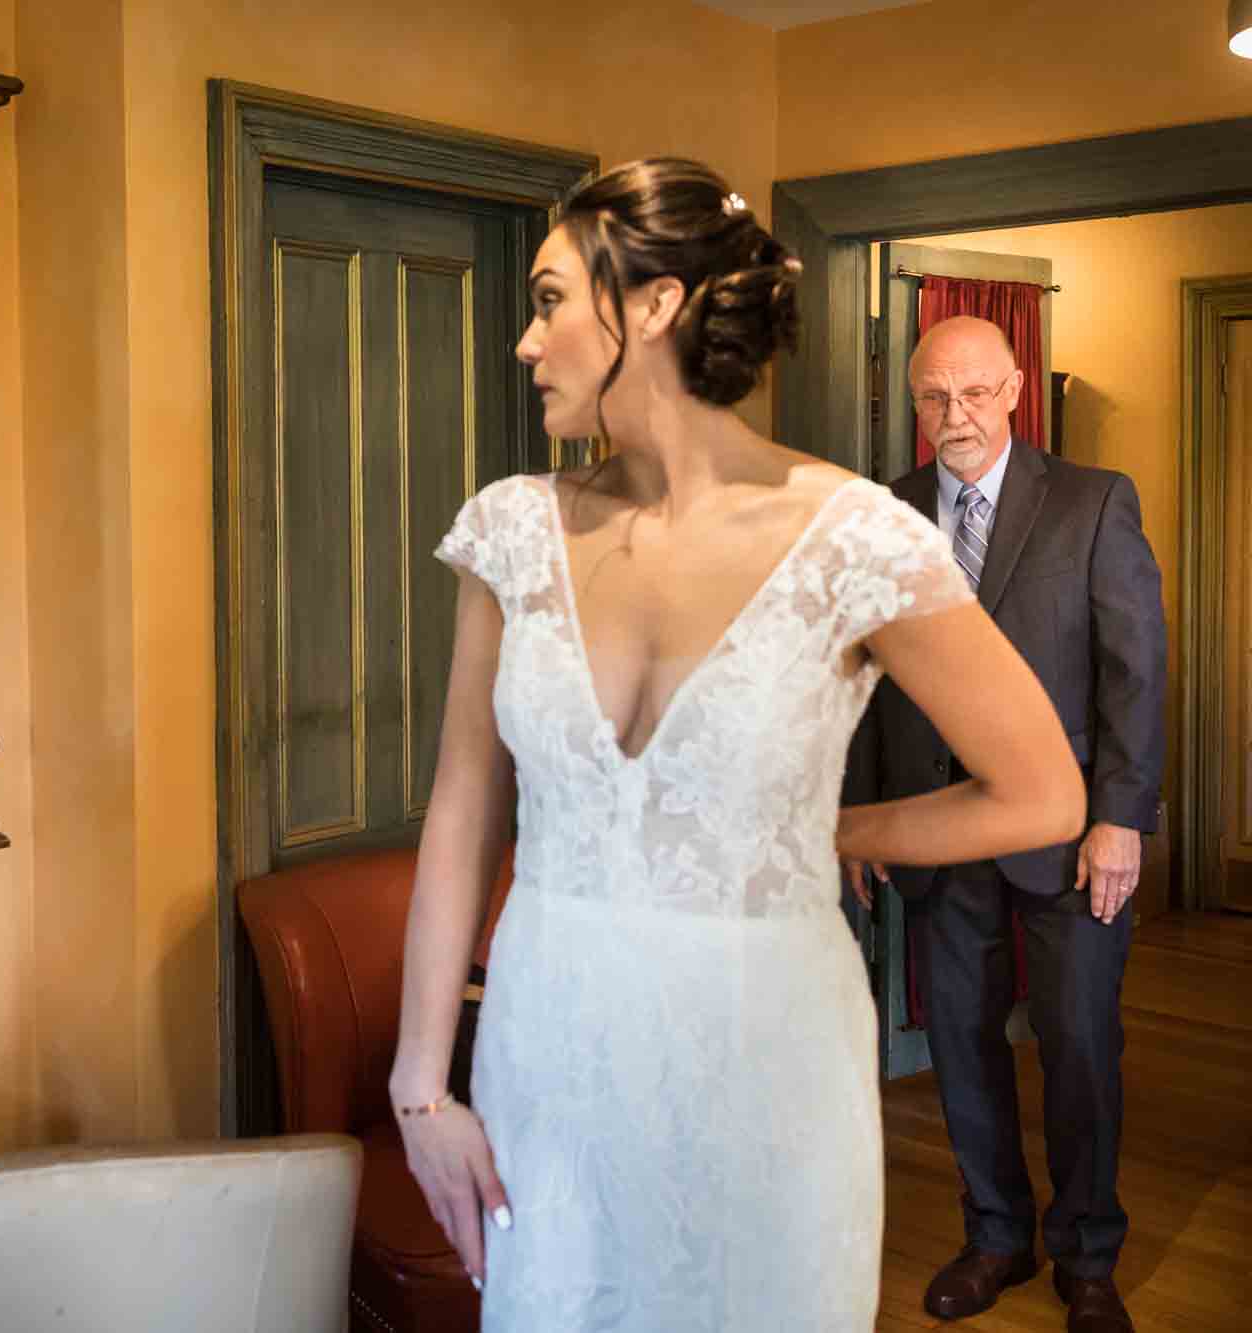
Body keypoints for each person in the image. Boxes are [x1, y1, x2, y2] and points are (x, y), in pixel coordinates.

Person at [388, 158, 1087, 1332]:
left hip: (767, 1055)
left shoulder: (852, 537)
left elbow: (1041, 793)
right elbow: (461, 806)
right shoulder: (510, 529)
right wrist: (419, 1084)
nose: (526, 338)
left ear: (650, 306)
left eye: (551, 298)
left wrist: (825, 830)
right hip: (548, 1047)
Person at [843, 315, 1165, 1333]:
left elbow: (1134, 673)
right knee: (963, 1044)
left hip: (1066, 834)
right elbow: (854, 675)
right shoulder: (882, 514)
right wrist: (861, 822)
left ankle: (1085, 1254)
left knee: (1076, 1043)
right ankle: (994, 1237)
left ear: (1015, 388)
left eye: (974, 392)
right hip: (935, 835)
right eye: (933, 395)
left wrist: (1119, 816)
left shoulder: (1090, 502)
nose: (955, 415)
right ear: (912, 402)